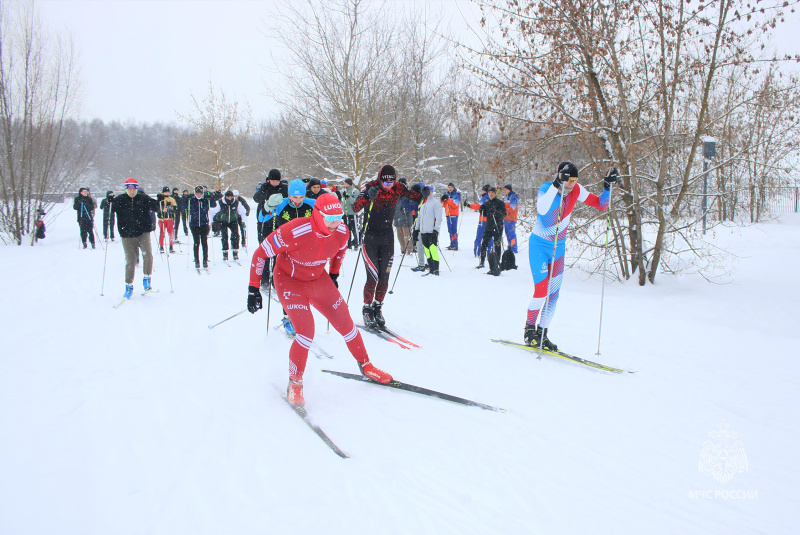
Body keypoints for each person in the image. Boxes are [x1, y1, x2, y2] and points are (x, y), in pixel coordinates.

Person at [246, 193, 393, 408]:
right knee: (306, 332)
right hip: (289, 281)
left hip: (318, 278)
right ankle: (295, 383)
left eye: (339, 217)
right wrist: (253, 289)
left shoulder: (341, 231)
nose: (335, 223)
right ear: (317, 215)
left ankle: (366, 365)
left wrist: (333, 274)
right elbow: (260, 254)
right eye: (330, 218)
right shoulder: (294, 230)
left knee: (347, 325)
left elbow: (340, 251)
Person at [524, 162, 617, 350]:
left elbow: (601, 205)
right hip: (539, 246)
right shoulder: (546, 189)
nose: (572, 184)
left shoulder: (576, 190)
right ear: (560, 176)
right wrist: (557, 184)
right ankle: (529, 331)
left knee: (554, 294)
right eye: (569, 180)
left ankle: (542, 333)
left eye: (575, 180)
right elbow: (542, 210)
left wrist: (607, 187)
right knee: (541, 290)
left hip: (558, 248)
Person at [352, 164, 422, 328]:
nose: (389, 186)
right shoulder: (370, 186)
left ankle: (378, 307)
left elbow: (415, 196)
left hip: (387, 238)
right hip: (370, 237)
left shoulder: (398, 188)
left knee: (384, 277)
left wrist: (422, 193)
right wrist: (368, 196)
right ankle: (367, 309)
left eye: (392, 182)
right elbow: (355, 207)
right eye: (386, 183)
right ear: (380, 179)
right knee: (373, 276)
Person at [111, 178, 159, 297]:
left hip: (143, 232)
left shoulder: (143, 198)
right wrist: (109, 201)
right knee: (130, 261)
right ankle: (129, 285)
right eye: (129, 189)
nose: (132, 191)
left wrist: (160, 200)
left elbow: (155, 206)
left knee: (147, 254)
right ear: (126, 189)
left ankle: (147, 279)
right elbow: (111, 209)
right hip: (127, 234)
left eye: (134, 189)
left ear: (137, 189)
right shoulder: (120, 199)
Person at [476, 186, 506, 275]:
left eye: (492, 192)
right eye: (489, 193)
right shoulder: (487, 202)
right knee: (484, 244)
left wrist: (496, 212)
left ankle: (497, 262)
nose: (491, 194)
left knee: (497, 245)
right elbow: (485, 214)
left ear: (495, 193)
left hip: (497, 226)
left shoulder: (500, 202)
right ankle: (481, 262)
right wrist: (481, 210)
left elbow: (504, 214)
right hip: (489, 226)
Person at [187, 185, 218, 269]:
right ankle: (196, 260)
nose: (199, 195)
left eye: (200, 193)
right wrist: (186, 197)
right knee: (196, 243)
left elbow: (214, 205)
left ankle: (205, 260)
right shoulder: (192, 200)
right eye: (197, 193)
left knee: (204, 242)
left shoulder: (205, 200)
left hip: (204, 224)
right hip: (194, 224)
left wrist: (212, 197)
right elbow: (183, 206)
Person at [212, 190, 247, 262]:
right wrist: (213, 221)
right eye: (228, 197)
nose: (229, 198)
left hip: (233, 220)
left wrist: (243, 221)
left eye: (231, 197)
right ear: (225, 196)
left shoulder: (237, 202)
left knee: (235, 236)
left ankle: (235, 252)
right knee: (224, 236)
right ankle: (225, 253)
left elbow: (242, 212)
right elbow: (213, 211)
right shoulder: (220, 202)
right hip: (223, 221)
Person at [254, 169, 288, 242]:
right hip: (265, 215)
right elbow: (256, 199)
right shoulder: (264, 186)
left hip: (279, 216)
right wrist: (262, 191)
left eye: (277, 181)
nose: (275, 183)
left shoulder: (283, 188)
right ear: (269, 180)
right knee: (264, 237)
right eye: (273, 181)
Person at [415, 185, 443, 275]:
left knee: (433, 250)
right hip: (423, 231)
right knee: (427, 250)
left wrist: (436, 230)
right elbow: (419, 217)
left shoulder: (436, 203)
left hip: (432, 232)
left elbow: (438, 218)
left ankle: (435, 269)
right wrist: (416, 229)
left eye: (428, 191)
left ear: (431, 192)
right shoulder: (423, 203)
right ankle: (431, 268)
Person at [393, 184, 414, 255]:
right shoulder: (395, 197)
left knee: (407, 236)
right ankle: (403, 249)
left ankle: (409, 250)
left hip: (406, 220)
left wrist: (406, 208)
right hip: (397, 219)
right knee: (400, 236)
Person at [340, 178, 360, 249]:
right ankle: (348, 244)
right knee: (347, 229)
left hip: (353, 213)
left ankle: (357, 243)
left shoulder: (355, 191)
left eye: (345, 182)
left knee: (354, 228)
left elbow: (355, 202)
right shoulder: (344, 191)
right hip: (346, 213)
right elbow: (343, 203)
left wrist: (348, 197)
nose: (344, 184)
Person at [156, 186, 177, 254]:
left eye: (167, 192)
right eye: (165, 192)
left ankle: (171, 246)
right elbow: (157, 206)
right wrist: (162, 207)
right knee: (162, 233)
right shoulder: (160, 199)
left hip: (170, 218)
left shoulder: (171, 199)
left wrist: (171, 208)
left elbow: (175, 207)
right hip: (162, 219)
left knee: (171, 233)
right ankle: (161, 246)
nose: (166, 193)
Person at [471, 185, 490, 257]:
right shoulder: (492, 198)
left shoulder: (485, 198)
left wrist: (469, 205)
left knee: (480, 236)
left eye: (482, 191)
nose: (481, 192)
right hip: (489, 220)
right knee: (489, 237)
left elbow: (478, 206)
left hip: (483, 220)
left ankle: (477, 252)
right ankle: (489, 251)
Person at [442, 183, 461, 250]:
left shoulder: (456, 195)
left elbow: (454, 205)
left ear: (453, 188)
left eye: (451, 187)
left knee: (454, 230)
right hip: (448, 215)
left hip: (454, 215)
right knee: (450, 230)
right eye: (449, 187)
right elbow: (444, 205)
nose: (450, 189)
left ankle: (455, 244)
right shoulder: (447, 194)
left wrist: (448, 199)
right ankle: (452, 243)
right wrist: (442, 200)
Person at [502, 184, 519, 253]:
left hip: (511, 218)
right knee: (508, 234)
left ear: (509, 190)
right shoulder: (507, 197)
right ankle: (510, 247)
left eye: (505, 190)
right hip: (506, 218)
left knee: (511, 234)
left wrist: (504, 211)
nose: (505, 191)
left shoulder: (513, 196)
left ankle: (513, 248)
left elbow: (512, 208)